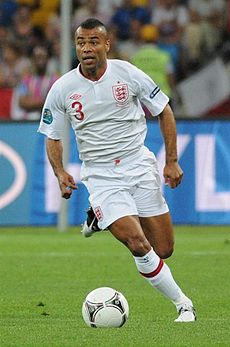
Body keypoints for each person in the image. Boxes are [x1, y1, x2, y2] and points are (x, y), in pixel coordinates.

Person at [38, 18, 196, 322]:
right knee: (138, 243)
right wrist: (59, 172)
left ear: (107, 45)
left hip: (139, 165)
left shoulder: (127, 74)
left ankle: (98, 218)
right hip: (101, 175)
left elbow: (164, 110)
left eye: (93, 42)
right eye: (81, 42)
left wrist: (172, 160)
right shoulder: (63, 88)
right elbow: (53, 136)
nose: (87, 48)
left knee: (163, 249)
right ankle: (183, 304)